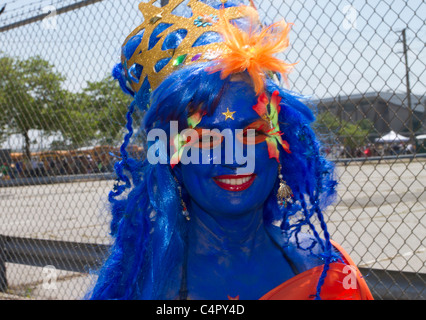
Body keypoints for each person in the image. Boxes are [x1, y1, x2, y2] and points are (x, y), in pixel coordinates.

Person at [87, 0, 373, 300]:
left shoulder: (332, 276)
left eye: (253, 132)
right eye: (206, 138)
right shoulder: (138, 286)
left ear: (281, 144)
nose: (235, 157)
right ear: (173, 156)